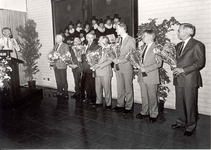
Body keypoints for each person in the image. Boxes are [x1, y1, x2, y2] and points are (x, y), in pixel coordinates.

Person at [171, 23, 205, 136]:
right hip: (178, 78)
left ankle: (190, 126)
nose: (178, 32)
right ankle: (180, 122)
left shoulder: (197, 45)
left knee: (190, 103)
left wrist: (183, 70)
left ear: (186, 32)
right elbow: (176, 61)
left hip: (189, 79)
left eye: (179, 30)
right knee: (179, 102)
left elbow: (200, 62)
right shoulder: (178, 45)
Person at [136, 30, 162, 123]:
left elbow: (159, 63)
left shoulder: (157, 47)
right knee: (144, 95)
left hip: (150, 75)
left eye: (144, 36)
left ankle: (154, 114)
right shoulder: (143, 47)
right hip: (142, 75)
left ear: (150, 37)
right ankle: (144, 111)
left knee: (152, 96)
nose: (142, 37)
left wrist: (146, 69)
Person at [112, 22, 135, 114]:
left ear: (122, 28)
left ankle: (129, 106)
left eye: (117, 28)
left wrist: (120, 61)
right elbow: (115, 54)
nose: (116, 30)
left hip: (126, 66)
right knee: (120, 87)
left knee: (128, 87)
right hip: (118, 67)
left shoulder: (131, 40)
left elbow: (131, 55)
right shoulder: (117, 40)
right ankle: (120, 104)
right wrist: (115, 63)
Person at [93, 36, 113, 110]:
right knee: (98, 87)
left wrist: (99, 65)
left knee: (107, 88)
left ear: (104, 41)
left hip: (105, 72)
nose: (98, 41)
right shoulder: (98, 49)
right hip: (97, 71)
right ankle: (99, 101)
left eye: (99, 40)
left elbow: (110, 60)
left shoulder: (109, 49)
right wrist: (93, 64)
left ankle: (108, 103)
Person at [81, 33, 100, 104]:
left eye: (91, 38)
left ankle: (93, 99)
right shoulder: (85, 46)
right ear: (86, 38)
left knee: (92, 84)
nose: (89, 39)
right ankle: (88, 97)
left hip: (91, 68)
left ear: (93, 38)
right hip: (85, 68)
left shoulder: (96, 46)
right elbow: (83, 57)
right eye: (88, 38)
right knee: (87, 84)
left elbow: (96, 57)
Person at [52, 34, 69, 99]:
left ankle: (65, 93)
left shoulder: (65, 45)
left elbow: (66, 55)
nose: (55, 39)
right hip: (55, 65)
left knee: (63, 79)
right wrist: (51, 61)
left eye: (56, 38)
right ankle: (59, 91)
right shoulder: (55, 46)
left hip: (62, 65)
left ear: (60, 39)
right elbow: (52, 54)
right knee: (58, 80)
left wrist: (58, 55)